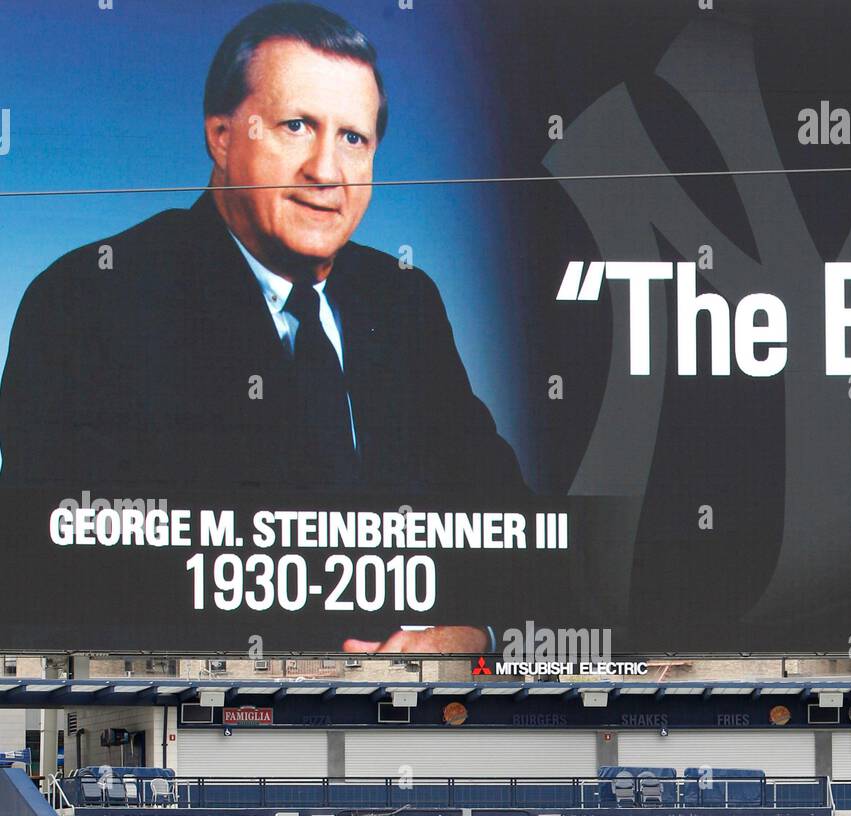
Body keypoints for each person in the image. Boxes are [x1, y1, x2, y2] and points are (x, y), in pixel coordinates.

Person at [0, 2, 522, 655]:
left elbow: (514, 532)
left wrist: (474, 636)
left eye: (352, 139)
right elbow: (54, 571)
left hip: (402, 723)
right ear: (221, 136)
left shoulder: (402, 302)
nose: (325, 171)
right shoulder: (89, 300)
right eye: (297, 126)